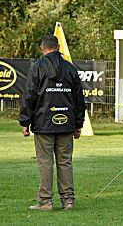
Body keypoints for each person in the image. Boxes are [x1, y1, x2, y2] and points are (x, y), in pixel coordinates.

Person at [19, 35, 86, 211]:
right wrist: (79, 123)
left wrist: (25, 121)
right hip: (66, 123)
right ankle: (68, 201)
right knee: (65, 161)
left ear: (43, 48)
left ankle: (46, 202)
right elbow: (79, 98)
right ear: (58, 48)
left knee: (45, 162)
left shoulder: (37, 67)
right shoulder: (70, 68)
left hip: (43, 123)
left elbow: (30, 96)